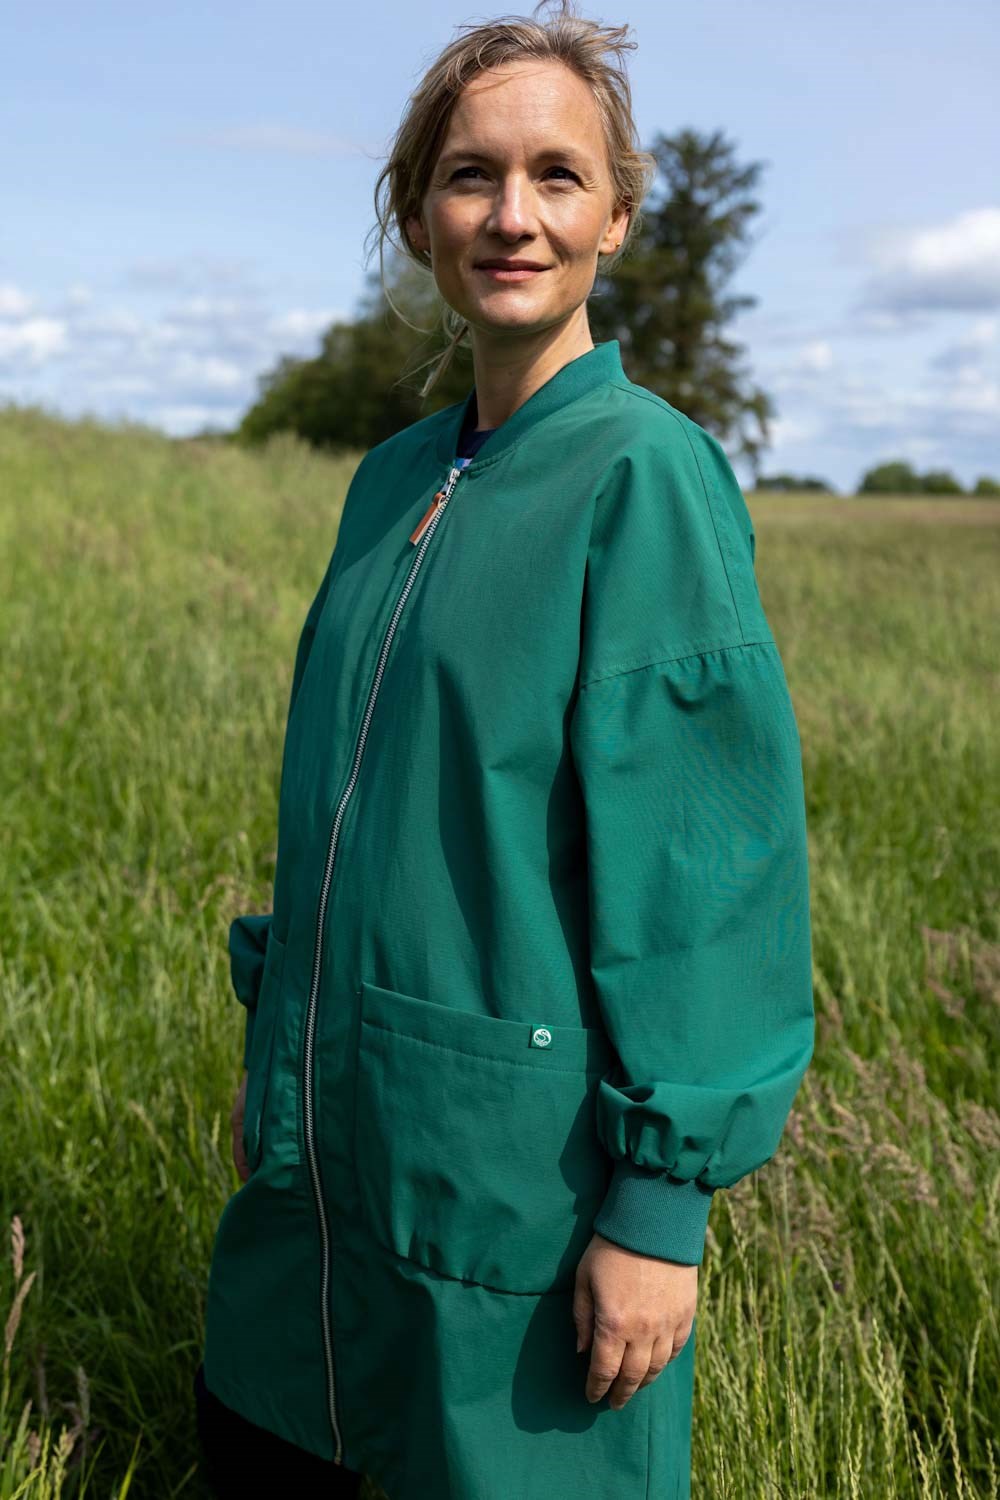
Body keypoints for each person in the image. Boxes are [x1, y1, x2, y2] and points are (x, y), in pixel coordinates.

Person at [194, 2, 815, 1497]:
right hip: (324, 1182)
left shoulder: (645, 477)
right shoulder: (393, 479)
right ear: (418, 216)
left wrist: (659, 1211)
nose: (512, 216)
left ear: (618, 214)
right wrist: (283, 1065)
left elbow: (705, 874)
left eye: (557, 175)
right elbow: (355, 806)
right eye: (472, 174)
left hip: (512, 1209)